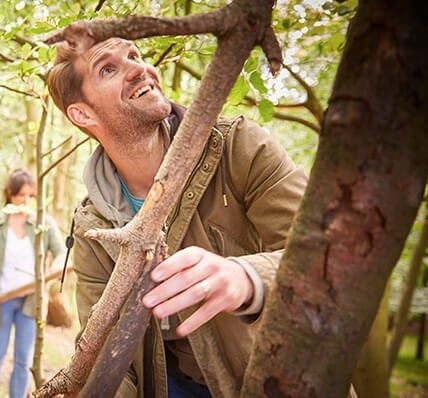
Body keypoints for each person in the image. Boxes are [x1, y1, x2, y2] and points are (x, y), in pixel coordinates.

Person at [47, 35, 307, 398]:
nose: (140, 69)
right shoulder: (93, 227)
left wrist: (247, 278)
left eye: (135, 55)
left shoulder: (238, 147)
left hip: (276, 383)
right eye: (109, 68)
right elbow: (106, 350)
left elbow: (324, 258)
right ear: (82, 113)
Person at [0, 168, 66, 398]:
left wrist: (55, 268)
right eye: (20, 195)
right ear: (9, 194)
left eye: (31, 196)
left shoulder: (43, 223)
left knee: (23, 360)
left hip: (30, 303)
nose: (26, 201)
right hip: (0, 301)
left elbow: (62, 252)